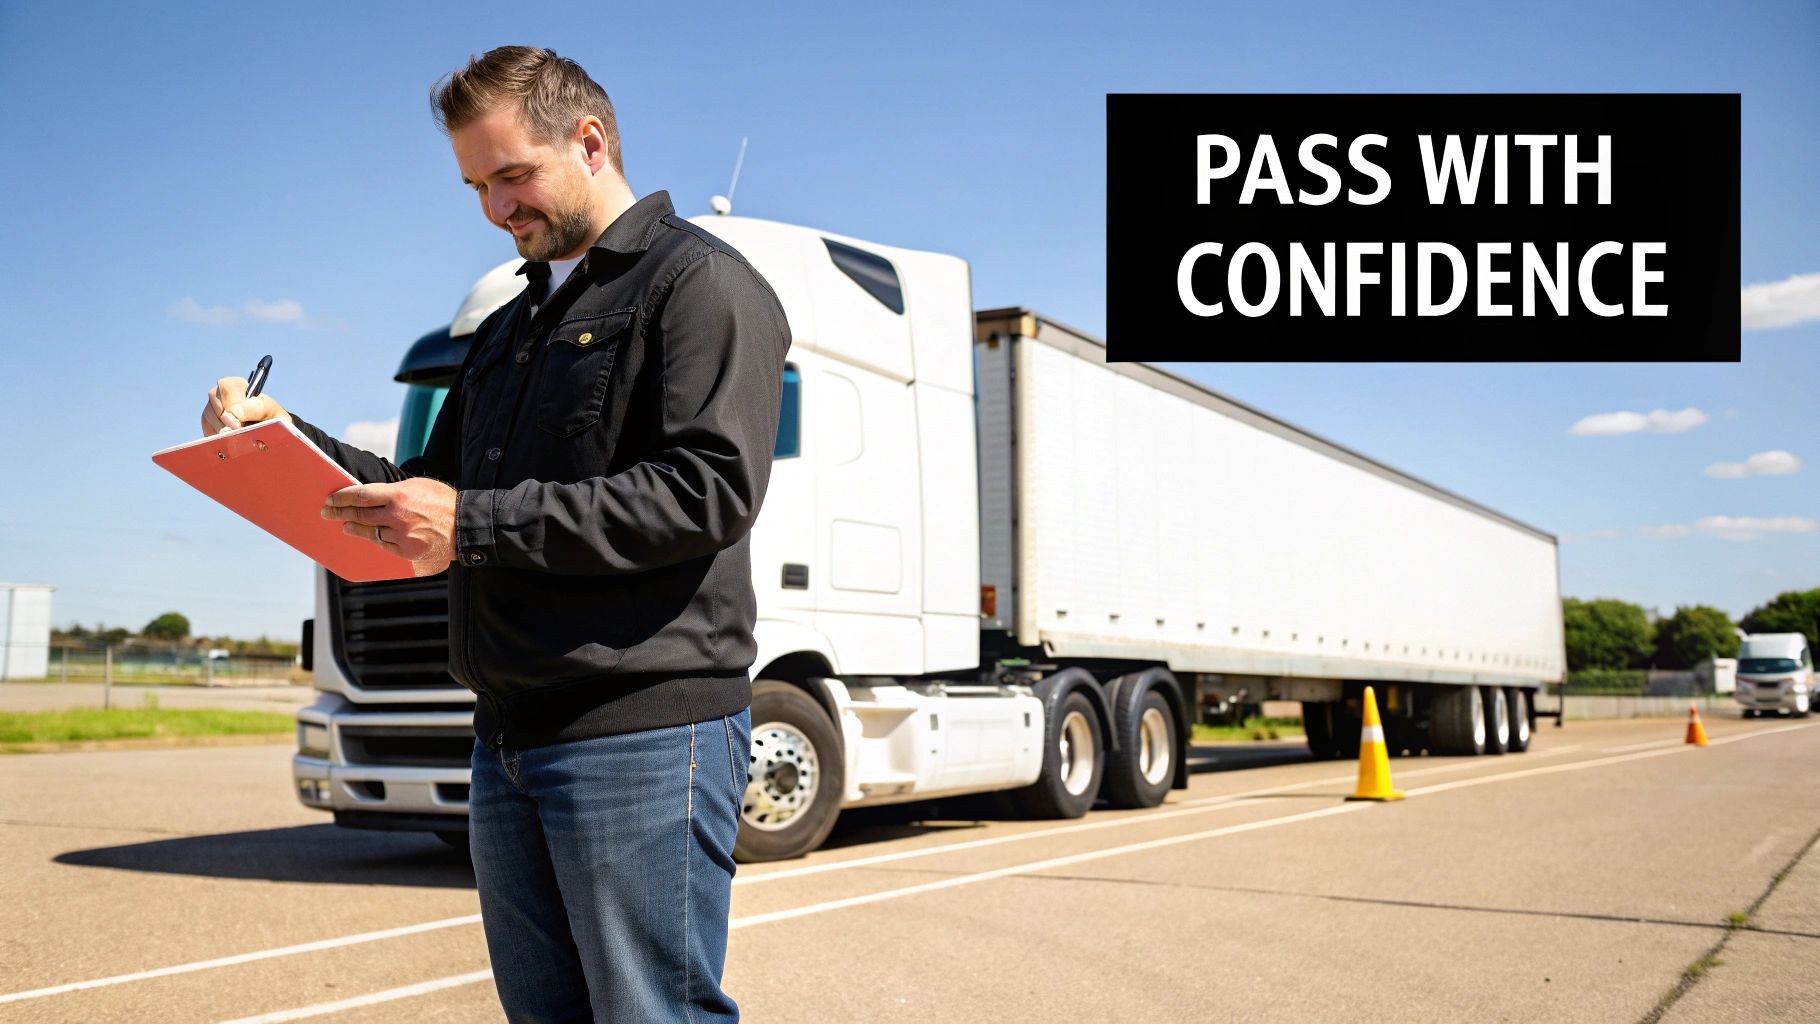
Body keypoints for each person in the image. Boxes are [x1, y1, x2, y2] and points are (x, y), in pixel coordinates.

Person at [199, 45, 791, 1022]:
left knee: (652, 1012)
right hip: (505, 735)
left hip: (641, 727)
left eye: (511, 175)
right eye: (475, 184)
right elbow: (427, 491)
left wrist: (468, 523)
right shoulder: (510, 325)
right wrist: (282, 438)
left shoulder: (701, 287)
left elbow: (705, 493)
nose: (493, 208)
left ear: (590, 141)